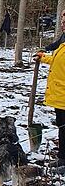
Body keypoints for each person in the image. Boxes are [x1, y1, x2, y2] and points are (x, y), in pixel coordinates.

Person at [35, 10, 65, 168]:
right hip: (60, 95)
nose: (63, 24)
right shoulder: (64, 39)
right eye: (62, 21)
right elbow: (58, 59)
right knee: (62, 128)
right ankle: (62, 158)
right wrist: (43, 56)